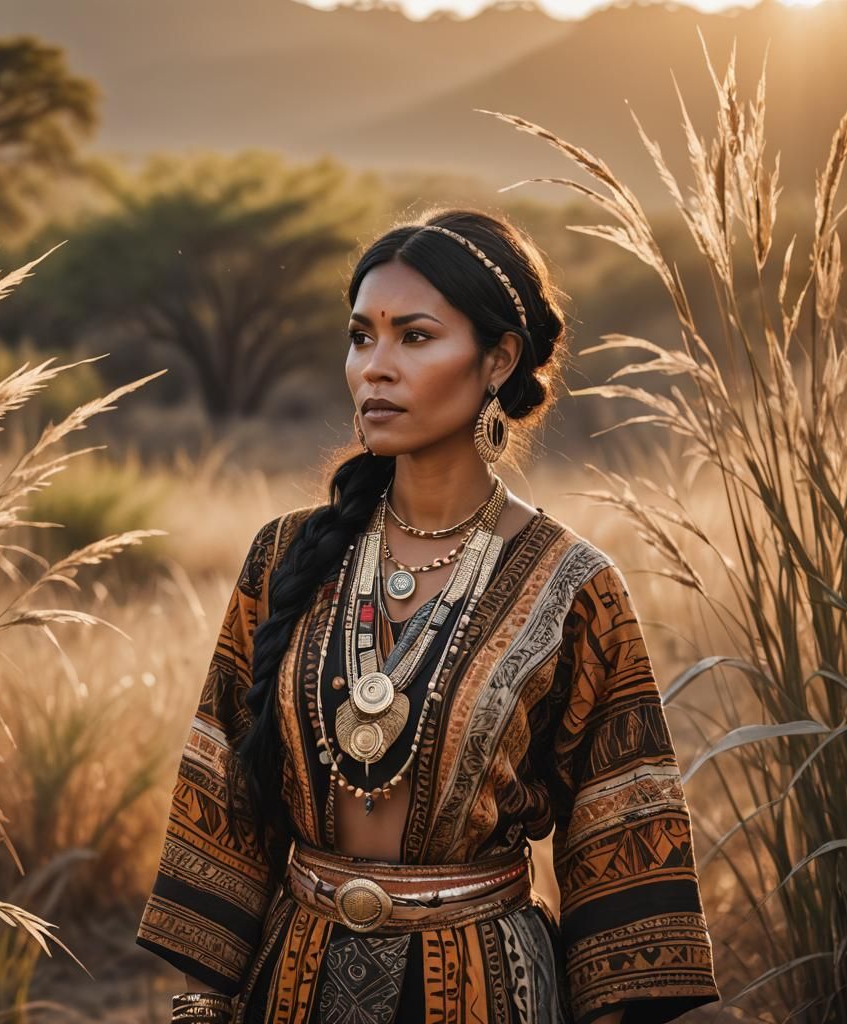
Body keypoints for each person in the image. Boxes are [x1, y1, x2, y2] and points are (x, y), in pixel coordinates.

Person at [135, 209, 721, 1024]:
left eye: (413, 337)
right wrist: (207, 999)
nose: (375, 369)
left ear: (498, 360)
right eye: (360, 336)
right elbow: (229, 790)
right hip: (293, 984)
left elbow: (619, 838)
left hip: (487, 989)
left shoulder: (574, 585)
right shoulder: (286, 557)